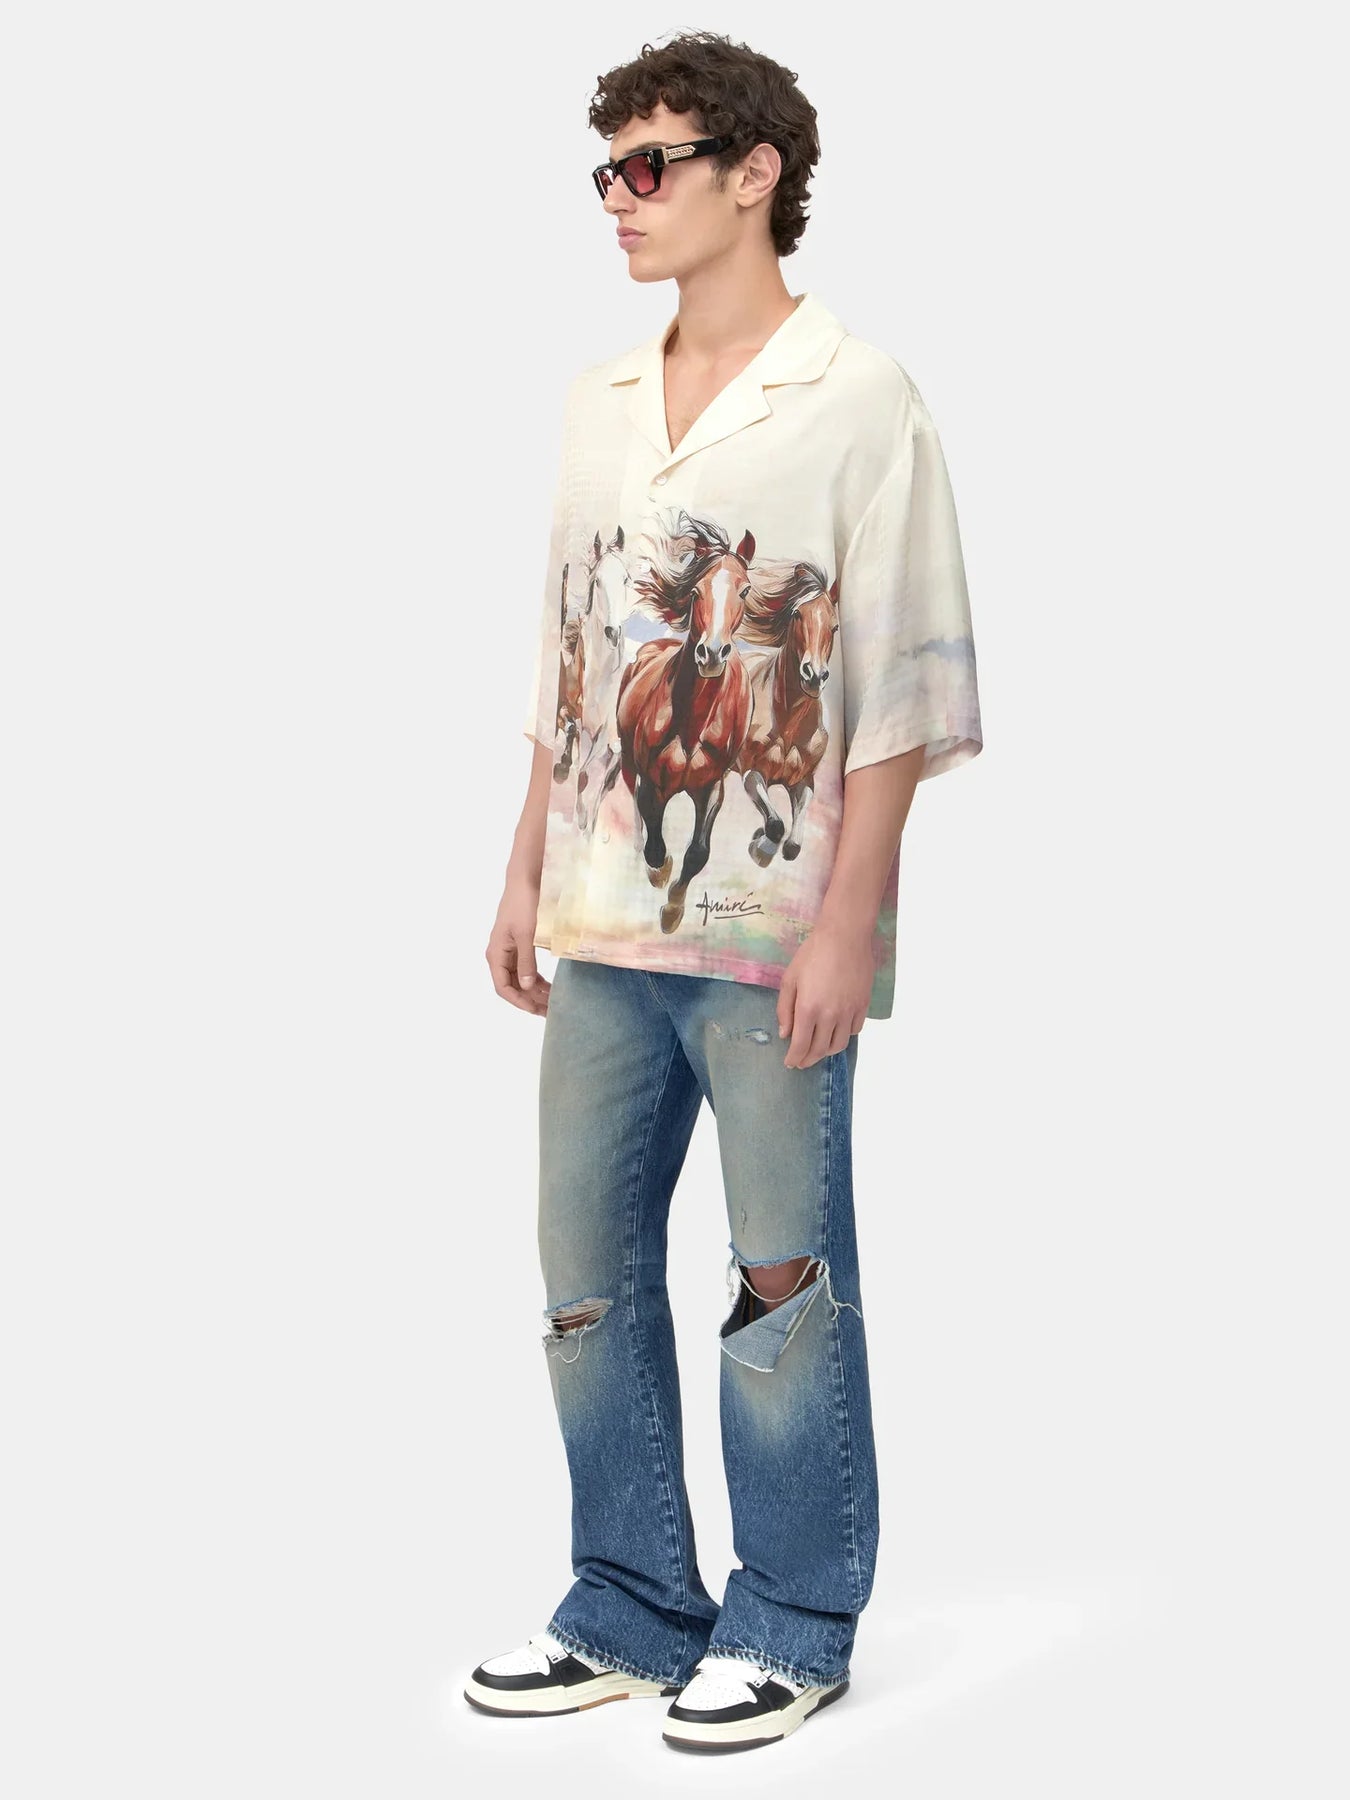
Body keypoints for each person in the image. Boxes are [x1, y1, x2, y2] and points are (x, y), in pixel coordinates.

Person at [464, 30, 983, 1755]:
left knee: (782, 1277)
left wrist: (849, 923)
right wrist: (523, 861)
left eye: (649, 165)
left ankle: (793, 1618)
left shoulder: (857, 395)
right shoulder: (596, 400)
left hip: (772, 933)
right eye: (605, 171)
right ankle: (627, 1602)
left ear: (752, 174)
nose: (618, 200)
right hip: (599, 918)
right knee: (582, 1269)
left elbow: (903, 672)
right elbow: (568, 653)